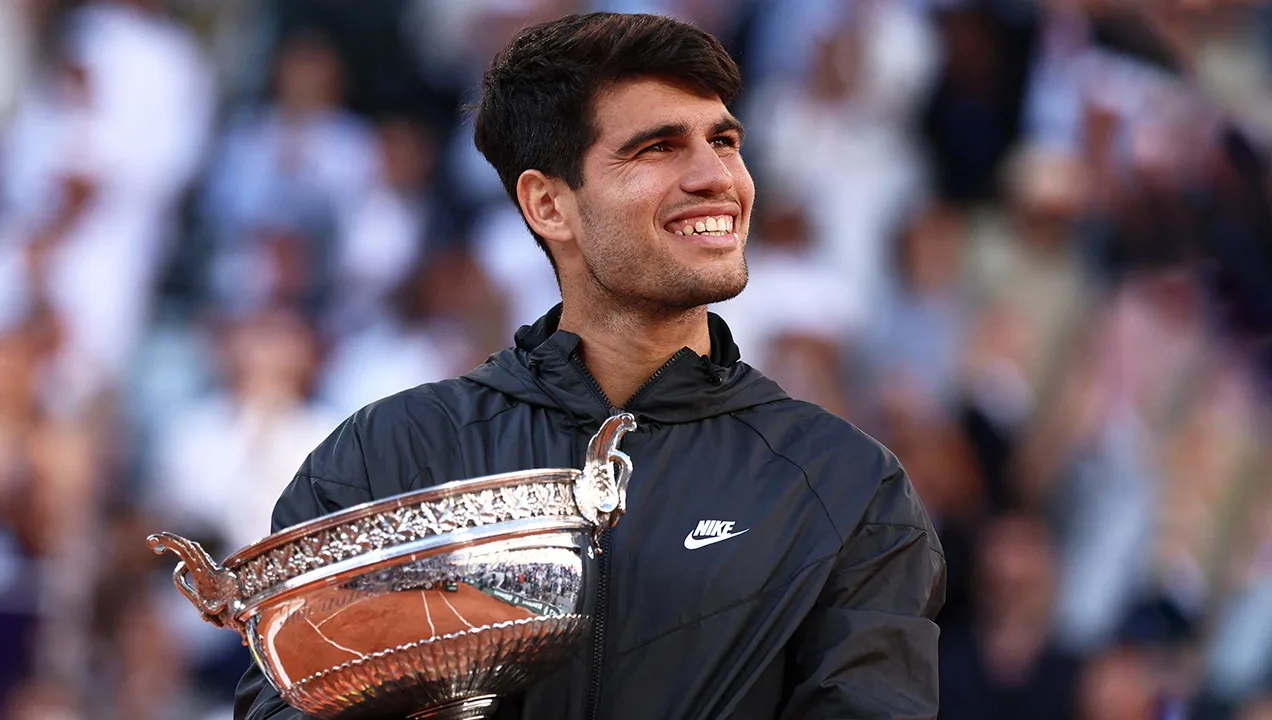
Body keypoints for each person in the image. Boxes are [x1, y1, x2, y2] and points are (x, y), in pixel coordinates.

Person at [235, 12, 945, 720]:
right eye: (658, 148)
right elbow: (284, 703)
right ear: (549, 204)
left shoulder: (845, 485)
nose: (716, 177)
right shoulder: (387, 458)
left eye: (724, 141)